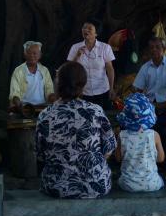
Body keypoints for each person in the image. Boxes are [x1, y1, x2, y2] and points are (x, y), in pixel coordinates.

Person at [35, 61, 116, 198]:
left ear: (58, 84)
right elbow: (109, 148)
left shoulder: (45, 115)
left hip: (56, 186)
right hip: (95, 185)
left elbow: (40, 154)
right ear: (83, 84)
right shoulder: (95, 111)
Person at [116, 93, 165, 192]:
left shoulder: (122, 135)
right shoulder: (154, 135)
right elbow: (160, 159)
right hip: (152, 184)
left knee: (120, 180)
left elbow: (118, 158)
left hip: (128, 184)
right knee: (160, 180)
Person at [66, 20, 116, 109]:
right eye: (84, 28)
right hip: (82, 92)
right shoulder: (75, 47)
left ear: (96, 33)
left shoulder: (105, 47)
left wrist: (111, 88)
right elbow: (69, 68)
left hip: (102, 91)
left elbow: (110, 69)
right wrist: (77, 56)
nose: (86, 30)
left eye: (90, 28)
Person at [9, 40, 55, 110]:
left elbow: (49, 90)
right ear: (24, 55)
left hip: (42, 108)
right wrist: (19, 105)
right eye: (29, 53)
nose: (32, 56)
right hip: (24, 108)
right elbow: (14, 94)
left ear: (40, 55)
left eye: (34, 53)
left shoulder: (44, 70)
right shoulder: (18, 71)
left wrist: (54, 99)